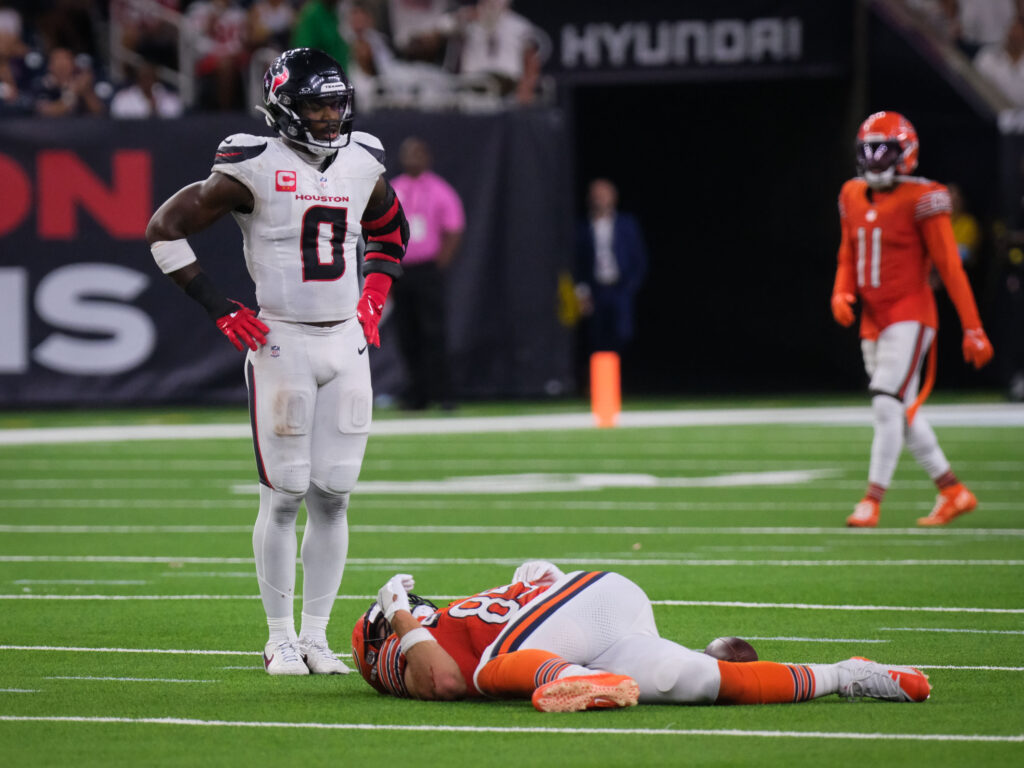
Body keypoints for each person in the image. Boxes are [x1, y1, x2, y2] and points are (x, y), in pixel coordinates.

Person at [146, 48, 409, 675]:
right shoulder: (251, 165)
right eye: (315, 104)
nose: (327, 117)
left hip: (345, 343)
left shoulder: (362, 160)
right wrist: (217, 306)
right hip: (281, 342)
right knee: (285, 494)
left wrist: (373, 297)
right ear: (285, 107)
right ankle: (279, 636)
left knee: (336, 496)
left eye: (335, 103)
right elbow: (165, 227)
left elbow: (392, 229)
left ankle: (316, 637)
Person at [351, 562, 931, 711]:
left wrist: (400, 621)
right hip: (595, 619)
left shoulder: (422, 635)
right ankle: (847, 675)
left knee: (486, 674)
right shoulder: (442, 626)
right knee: (697, 680)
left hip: (574, 619)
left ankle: (574, 682)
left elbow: (447, 680)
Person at [831, 111, 994, 529]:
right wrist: (841, 290)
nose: (875, 159)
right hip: (873, 318)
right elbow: (848, 253)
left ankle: (871, 500)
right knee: (900, 408)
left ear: (906, 153)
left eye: (884, 151)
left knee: (887, 403)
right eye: (869, 151)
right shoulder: (851, 194)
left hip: (910, 312)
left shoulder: (925, 197)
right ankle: (953, 490)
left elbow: (949, 267)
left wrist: (973, 326)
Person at [388, 136, 465, 409]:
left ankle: (443, 393)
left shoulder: (440, 190)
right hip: (400, 270)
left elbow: (454, 229)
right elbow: (379, 228)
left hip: (428, 270)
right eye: (408, 154)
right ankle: (416, 394)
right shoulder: (393, 189)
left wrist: (439, 264)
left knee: (434, 333)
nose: (412, 159)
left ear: (427, 158)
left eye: (418, 154)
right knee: (407, 334)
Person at [574, 178, 648, 355]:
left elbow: (638, 259)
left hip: (619, 287)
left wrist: (630, 287)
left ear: (613, 197)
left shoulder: (627, 224)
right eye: (595, 195)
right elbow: (577, 263)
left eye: (603, 195)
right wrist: (582, 292)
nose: (599, 199)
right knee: (597, 337)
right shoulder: (581, 228)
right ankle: (600, 379)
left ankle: (615, 375)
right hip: (595, 289)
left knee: (622, 334)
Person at [974, 16, 1024, 107]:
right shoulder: (987, 57)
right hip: (989, 113)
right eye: (1013, 32)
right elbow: (975, 91)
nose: (1015, 37)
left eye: (1020, 36)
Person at [110, 61, 184, 119]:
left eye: (150, 77)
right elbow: (118, 124)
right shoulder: (123, 99)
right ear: (138, 79)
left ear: (156, 79)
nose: (147, 81)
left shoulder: (169, 99)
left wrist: (156, 111)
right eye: (144, 77)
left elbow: (175, 122)